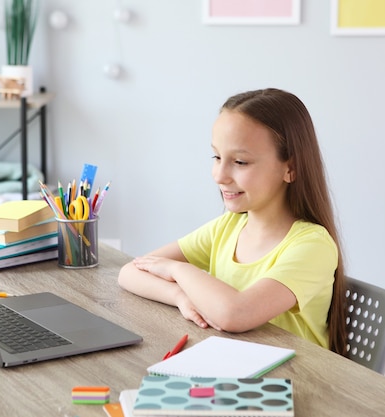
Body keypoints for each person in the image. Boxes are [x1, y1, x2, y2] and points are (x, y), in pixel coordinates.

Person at [118, 88, 347, 355]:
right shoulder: (227, 228)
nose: (219, 175)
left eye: (239, 161)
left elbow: (234, 314)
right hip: (232, 369)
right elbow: (130, 273)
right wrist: (180, 297)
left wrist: (178, 271)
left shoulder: (312, 246)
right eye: (216, 157)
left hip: (293, 384)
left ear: (290, 168)